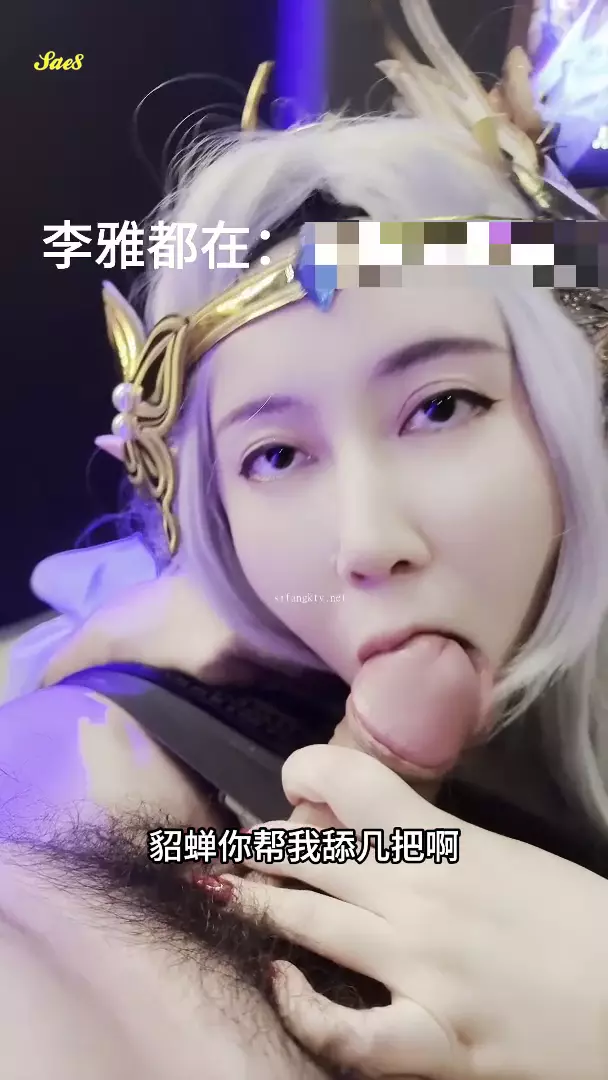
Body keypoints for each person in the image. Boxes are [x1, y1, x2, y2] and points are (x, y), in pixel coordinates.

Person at [3, 1, 608, 1075]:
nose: (368, 542)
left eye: (441, 407)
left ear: (569, 410)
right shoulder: (135, 732)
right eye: (275, 457)